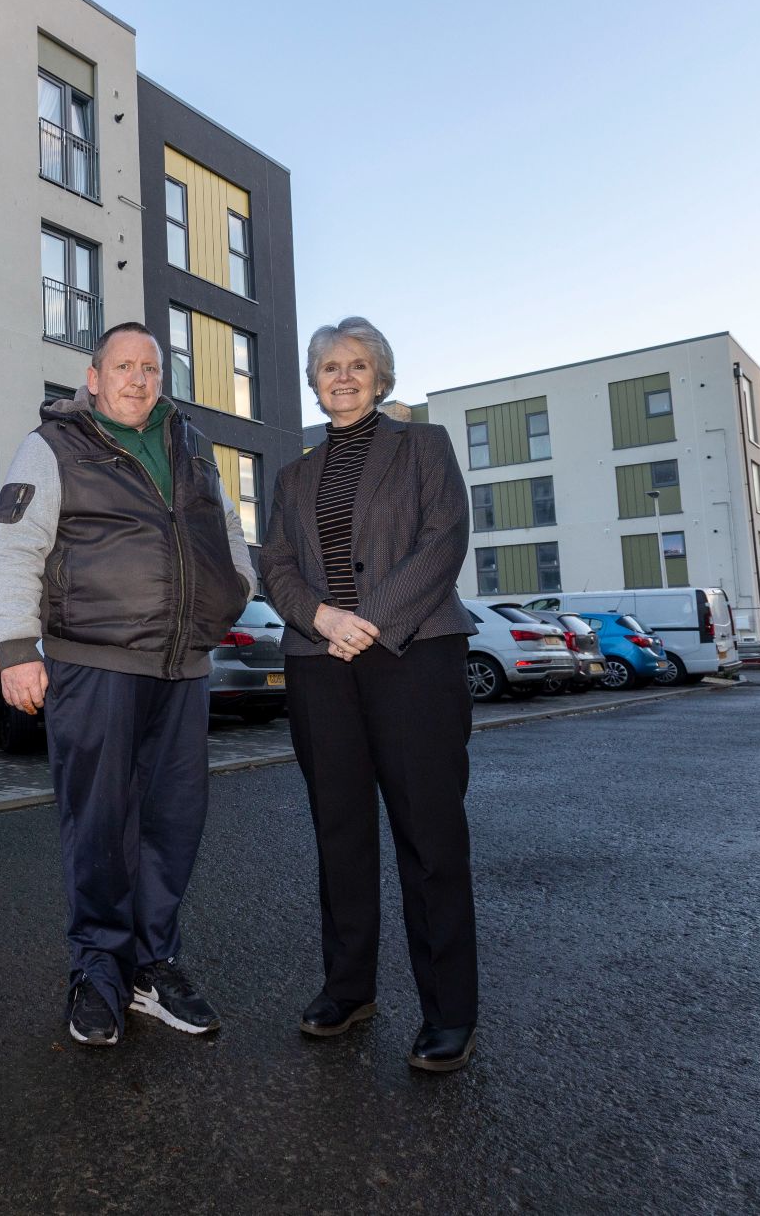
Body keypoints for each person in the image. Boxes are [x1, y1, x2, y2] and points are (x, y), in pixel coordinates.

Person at [0, 322, 254, 1048]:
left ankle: (151, 965)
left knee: (172, 825)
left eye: (151, 367)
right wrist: (16, 647)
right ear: (94, 376)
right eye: (124, 366)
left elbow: (228, 532)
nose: (139, 378)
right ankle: (98, 970)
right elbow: (13, 548)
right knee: (100, 826)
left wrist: (229, 595)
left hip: (183, 668)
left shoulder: (189, 444)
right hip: (95, 665)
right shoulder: (53, 447)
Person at [258, 317, 481, 1072]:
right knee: (340, 834)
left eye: (357, 365)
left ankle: (449, 1012)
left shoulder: (424, 447)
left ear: (380, 376)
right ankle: (348, 988)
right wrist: (320, 618)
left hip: (413, 656)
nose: (342, 376)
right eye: (329, 366)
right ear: (314, 381)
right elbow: (276, 564)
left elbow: (444, 540)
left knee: (430, 838)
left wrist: (371, 622)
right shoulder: (292, 478)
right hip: (320, 664)